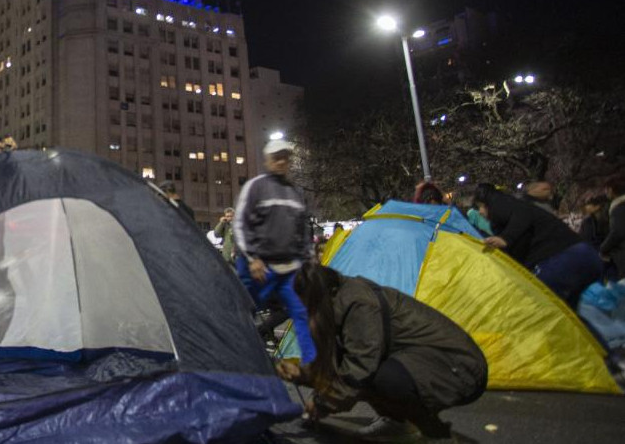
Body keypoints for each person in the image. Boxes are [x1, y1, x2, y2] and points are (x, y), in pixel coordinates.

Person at [278, 263, 487, 443]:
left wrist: (323, 403)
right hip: (427, 361)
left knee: (380, 377)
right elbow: (336, 363)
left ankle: (436, 434)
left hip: (461, 368)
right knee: (368, 372)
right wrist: (303, 374)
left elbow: (359, 369)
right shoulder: (337, 302)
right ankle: (397, 423)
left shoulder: (358, 304)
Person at [233, 138, 316, 363]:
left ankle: (312, 365)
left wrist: (308, 259)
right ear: (267, 160)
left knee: (300, 312)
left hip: (289, 269)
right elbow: (240, 224)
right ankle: (237, 359)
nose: (281, 161)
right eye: (276, 157)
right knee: (243, 313)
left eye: (285, 158)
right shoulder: (256, 187)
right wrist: (252, 258)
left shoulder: (295, 193)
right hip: (258, 267)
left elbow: (303, 231)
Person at [475, 185, 601, 308]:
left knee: (540, 310)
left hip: (559, 260)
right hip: (585, 254)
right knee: (567, 316)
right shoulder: (520, 209)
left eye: (481, 207)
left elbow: (523, 214)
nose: (480, 212)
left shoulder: (507, 206)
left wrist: (506, 238)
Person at [602, 175, 625, 281]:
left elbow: (618, 232)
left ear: (611, 190)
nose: (605, 192)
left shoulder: (619, 208)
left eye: (606, 189)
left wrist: (603, 248)